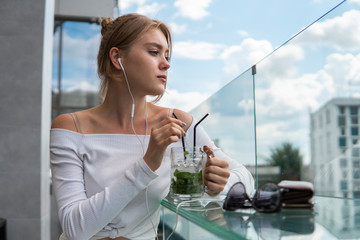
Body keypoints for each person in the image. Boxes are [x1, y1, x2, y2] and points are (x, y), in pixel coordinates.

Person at [50, 13, 254, 240]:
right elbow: (74, 229)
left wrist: (220, 184)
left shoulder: (178, 123)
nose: (166, 64)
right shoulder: (70, 127)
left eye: (167, 55)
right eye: (154, 52)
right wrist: (148, 162)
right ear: (118, 58)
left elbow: (246, 178)